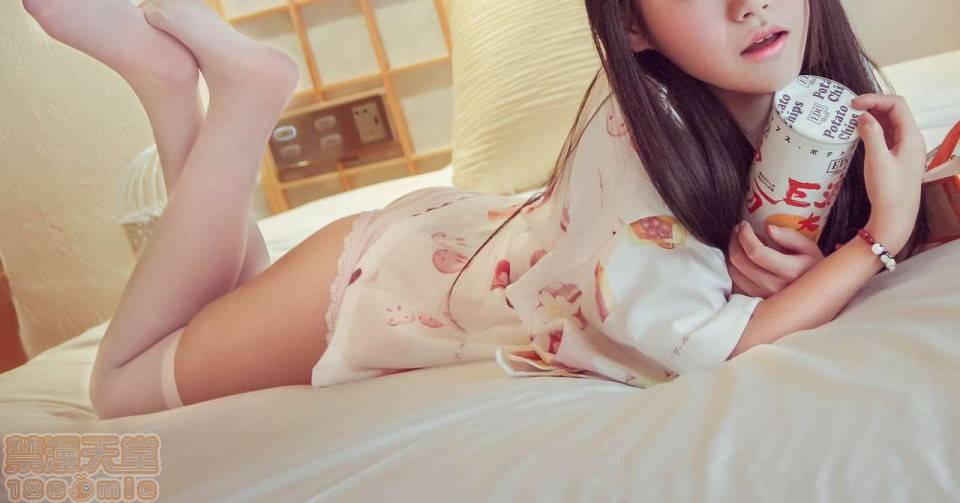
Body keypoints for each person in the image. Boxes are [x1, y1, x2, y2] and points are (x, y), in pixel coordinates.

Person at [21, 0, 928, 419]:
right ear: (633, 25)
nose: (750, 4)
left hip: (456, 245)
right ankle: (246, 95)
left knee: (216, 308)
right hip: (381, 284)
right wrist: (876, 243)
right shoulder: (643, 132)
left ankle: (167, 86)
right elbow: (703, 343)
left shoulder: (827, 105)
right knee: (121, 388)